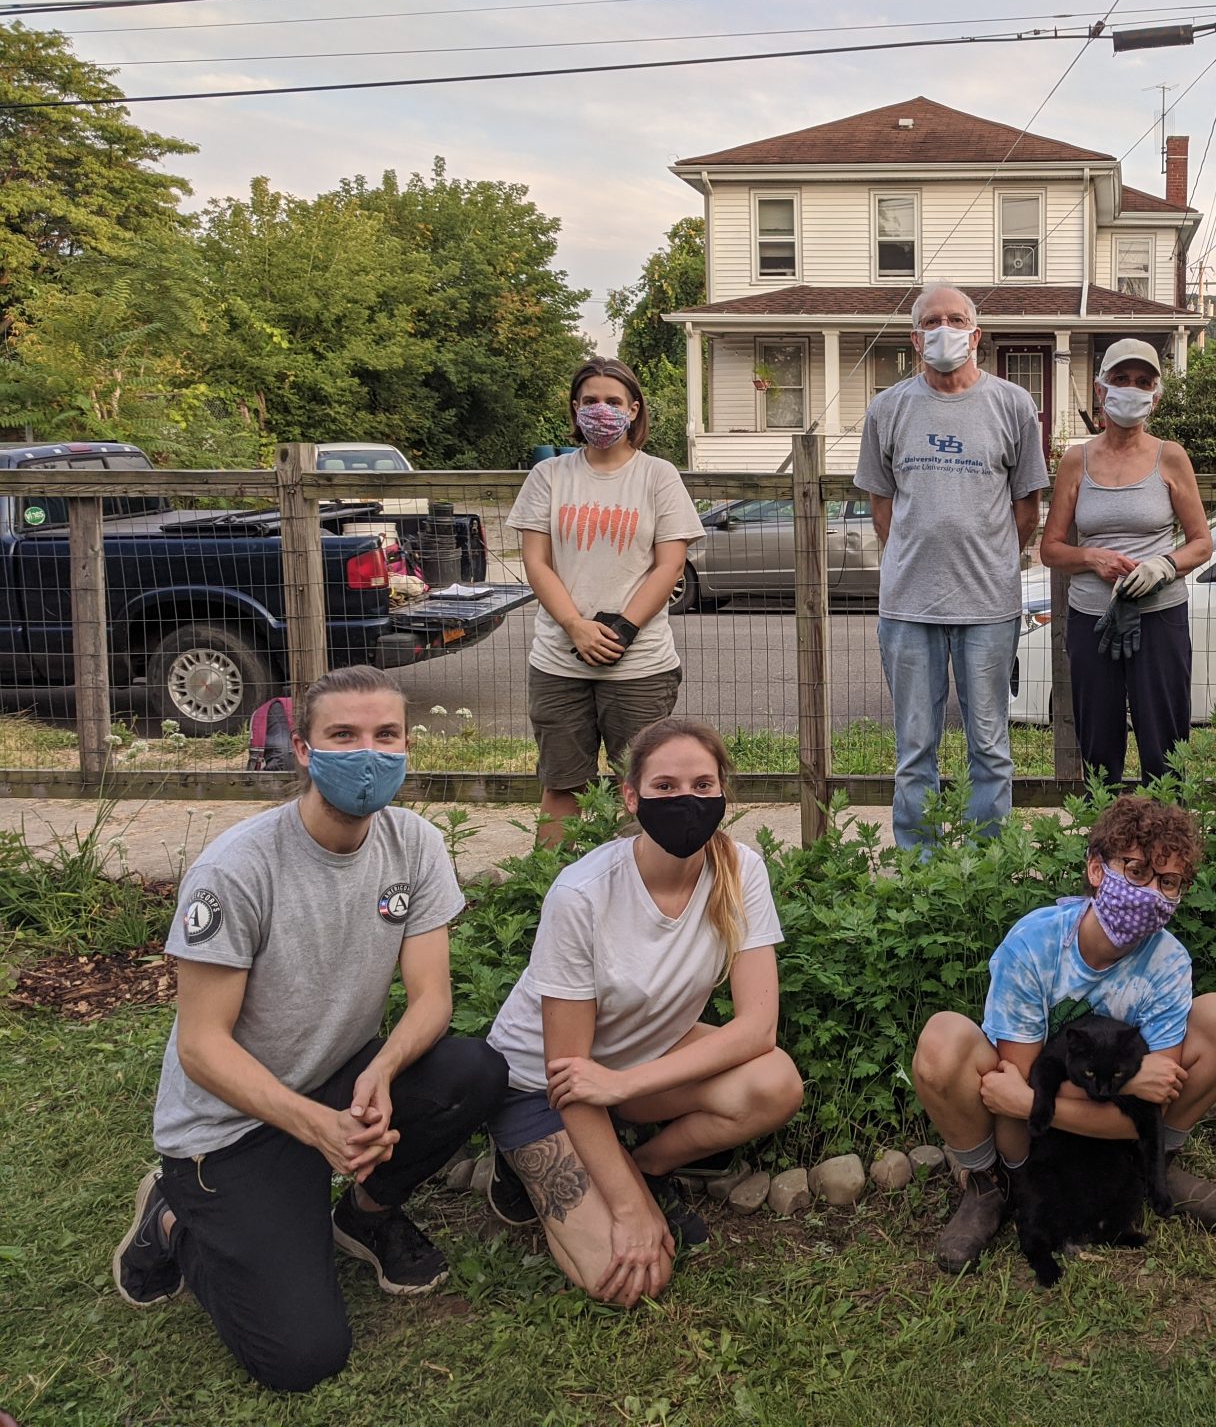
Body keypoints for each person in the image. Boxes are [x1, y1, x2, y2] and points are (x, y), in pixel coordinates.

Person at [111, 666, 507, 1393]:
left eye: (386, 735)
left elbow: (430, 999)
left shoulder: (414, 844)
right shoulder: (237, 869)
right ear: (302, 749)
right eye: (343, 736)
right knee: (301, 1357)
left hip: (337, 1077)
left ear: (407, 746)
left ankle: (365, 1216)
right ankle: (172, 1220)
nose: (368, 754)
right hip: (229, 1124)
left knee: (470, 1071)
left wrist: (380, 1073)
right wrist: (319, 1127)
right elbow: (201, 1046)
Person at [480, 718, 803, 1307]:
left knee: (775, 1082)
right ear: (631, 797)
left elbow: (758, 1029)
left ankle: (646, 1167)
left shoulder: (740, 871)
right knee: (626, 1280)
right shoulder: (582, 894)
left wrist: (624, 1088)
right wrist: (628, 1213)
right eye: (665, 787)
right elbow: (569, 1074)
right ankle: (521, 1163)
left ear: (723, 792)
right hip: (540, 1086)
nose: (687, 801)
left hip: (629, 1069)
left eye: (703, 786)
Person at [911, 795, 1216, 1273]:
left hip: (1066, 1114)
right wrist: (1126, 1086)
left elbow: (1148, 1106)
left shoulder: (1169, 962)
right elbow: (1019, 1083)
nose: (1151, 893)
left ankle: (1153, 1163)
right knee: (941, 1041)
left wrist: (1032, 1101)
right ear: (1096, 869)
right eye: (1136, 871)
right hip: (1027, 1131)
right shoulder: (1035, 943)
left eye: (1168, 882)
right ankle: (993, 1183)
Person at [855, 281, 1051, 850]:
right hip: (907, 606)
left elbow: (1027, 508)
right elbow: (882, 507)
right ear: (915, 339)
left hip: (989, 606)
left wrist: (990, 559)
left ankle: (986, 862)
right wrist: (916, 557)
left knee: (989, 746)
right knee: (915, 747)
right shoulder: (887, 408)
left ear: (976, 334)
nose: (945, 329)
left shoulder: (1012, 405)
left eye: (956, 319)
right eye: (932, 321)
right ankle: (920, 864)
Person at [509, 357, 705, 845]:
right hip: (559, 663)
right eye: (590, 400)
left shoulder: (658, 476)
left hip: (640, 666)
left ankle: (635, 884)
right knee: (563, 787)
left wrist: (622, 631)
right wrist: (575, 626)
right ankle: (553, 881)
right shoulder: (549, 476)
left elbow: (669, 564)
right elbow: (537, 561)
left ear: (634, 409)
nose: (602, 410)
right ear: (575, 409)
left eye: (613, 401)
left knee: (639, 789)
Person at [1038, 339, 1213, 786]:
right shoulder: (1076, 461)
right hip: (1092, 620)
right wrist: (1090, 557)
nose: (1131, 389)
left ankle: (1168, 828)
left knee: (1165, 745)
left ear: (1155, 396)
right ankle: (1103, 828)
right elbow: (1051, 548)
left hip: (1160, 616)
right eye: (1120, 379)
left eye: (1142, 382)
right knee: (1098, 745)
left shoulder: (1169, 457)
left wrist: (1163, 567)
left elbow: (1201, 543)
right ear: (1101, 390)